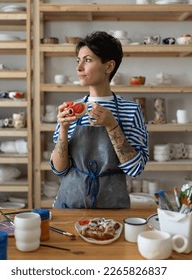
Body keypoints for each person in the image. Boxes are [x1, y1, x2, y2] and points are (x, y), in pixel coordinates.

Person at [50, 31, 149, 209]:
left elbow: (135, 169)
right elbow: (59, 169)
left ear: (109, 66)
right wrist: (63, 129)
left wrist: (112, 125)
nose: (79, 68)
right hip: (69, 207)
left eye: (87, 60)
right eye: (78, 61)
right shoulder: (71, 109)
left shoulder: (131, 111)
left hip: (112, 209)